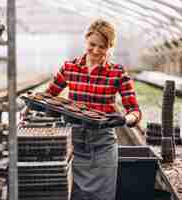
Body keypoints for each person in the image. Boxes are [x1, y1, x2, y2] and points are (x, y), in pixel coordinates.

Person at [45, 19, 141, 200]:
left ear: (110, 46)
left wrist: (123, 120)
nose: (96, 51)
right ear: (86, 39)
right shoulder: (69, 68)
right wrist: (44, 108)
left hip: (103, 145)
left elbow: (135, 111)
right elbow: (47, 96)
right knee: (73, 195)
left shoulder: (118, 73)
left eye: (102, 47)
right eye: (92, 44)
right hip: (73, 144)